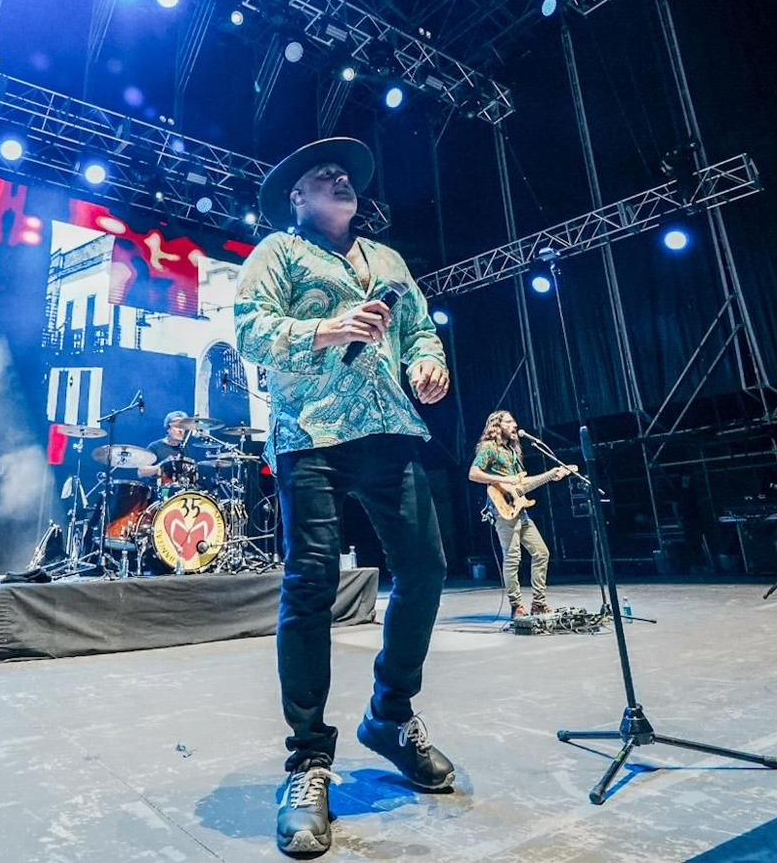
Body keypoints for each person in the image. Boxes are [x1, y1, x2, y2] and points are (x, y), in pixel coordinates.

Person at [234, 137, 454, 857]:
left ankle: (389, 712)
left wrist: (426, 360)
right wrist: (327, 328)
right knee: (311, 584)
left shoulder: (386, 261)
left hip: (388, 427)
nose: (339, 177)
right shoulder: (277, 252)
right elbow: (251, 329)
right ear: (296, 198)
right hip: (309, 435)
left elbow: (420, 325)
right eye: (320, 175)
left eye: (345, 173)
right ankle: (307, 762)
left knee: (424, 567)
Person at [467, 410, 568, 619]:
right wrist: (504, 481)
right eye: (509, 422)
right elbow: (473, 473)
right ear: (497, 425)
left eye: (515, 421)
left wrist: (551, 474)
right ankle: (516, 605)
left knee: (541, 553)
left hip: (519, 509)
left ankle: (538, 603)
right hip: (501, 507)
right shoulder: (489, 448)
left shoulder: (514, 451)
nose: (514, 425)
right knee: (513, 557)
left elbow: (522, 484)